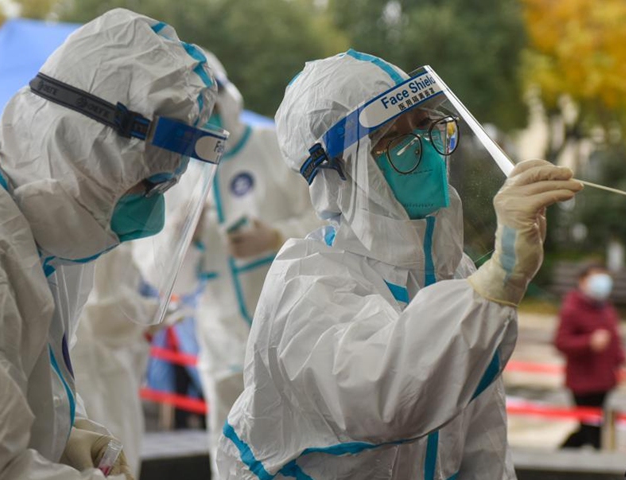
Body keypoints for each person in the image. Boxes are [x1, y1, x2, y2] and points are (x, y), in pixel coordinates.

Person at [217, 50, 582, 479]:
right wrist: (499, 279)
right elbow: (386, 396)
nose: (425, 147)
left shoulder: (459, 274)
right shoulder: (306, 281)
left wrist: (491, 284)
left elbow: (484, 439)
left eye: (426, 124)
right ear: (340, 173)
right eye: (394, 138)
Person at [0, 9, 221, 479]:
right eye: (148, 185)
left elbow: (33, 374)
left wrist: (69, 428)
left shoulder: (54, 220)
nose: (154, 216)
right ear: (83, 149)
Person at [185, 52, 322, 476]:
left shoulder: (273, 148)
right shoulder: (178, 177)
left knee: (301, 449)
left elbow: (329, 218)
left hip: (291, 335)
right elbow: (164, 276)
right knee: (228, 454)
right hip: (221, 340)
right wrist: (183, 240)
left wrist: (276, 236)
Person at [72, 244, 157, 479]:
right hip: (98, 369)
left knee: (116, 457)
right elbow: (105, 313)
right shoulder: (102, 237)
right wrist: (150, 313)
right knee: (109, 455)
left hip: (111, 365)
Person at [555, 262, 626, 450]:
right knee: (590, 429)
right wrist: (588, 342)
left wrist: (621, 360)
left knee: (592, 428)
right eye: (595, 277)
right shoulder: (572, 308)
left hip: (604, 380)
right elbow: (561, 342)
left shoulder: (606, 307)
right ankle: (559, 459)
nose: (601, 283)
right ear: (582, 281)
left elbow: (614, 337)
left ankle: (562, 457)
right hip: (582, 381)